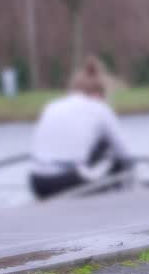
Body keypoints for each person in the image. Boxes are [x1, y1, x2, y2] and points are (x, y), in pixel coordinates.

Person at [28, 56, 134, 200]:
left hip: (37, 181)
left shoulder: (52, 105)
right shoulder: (100, 108)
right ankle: (120, 202)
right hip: (66, 180)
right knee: (116, 161)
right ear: (99, 93)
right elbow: (124, 153)